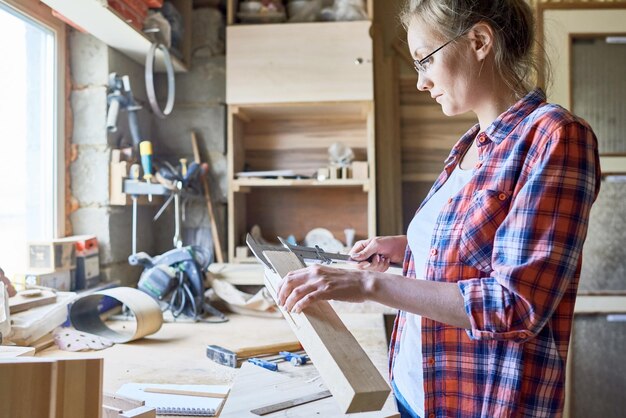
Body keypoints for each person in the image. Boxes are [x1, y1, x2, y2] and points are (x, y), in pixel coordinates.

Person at [277, 0, 602, 417]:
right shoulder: (469, 144)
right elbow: (475, 252)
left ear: (479, 41)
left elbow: (514, 306)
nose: (421, 82)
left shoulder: (555, 136)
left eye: (424, 60)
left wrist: (366, 286)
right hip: (416, 388)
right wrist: (408, 246)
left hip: (480, 402)